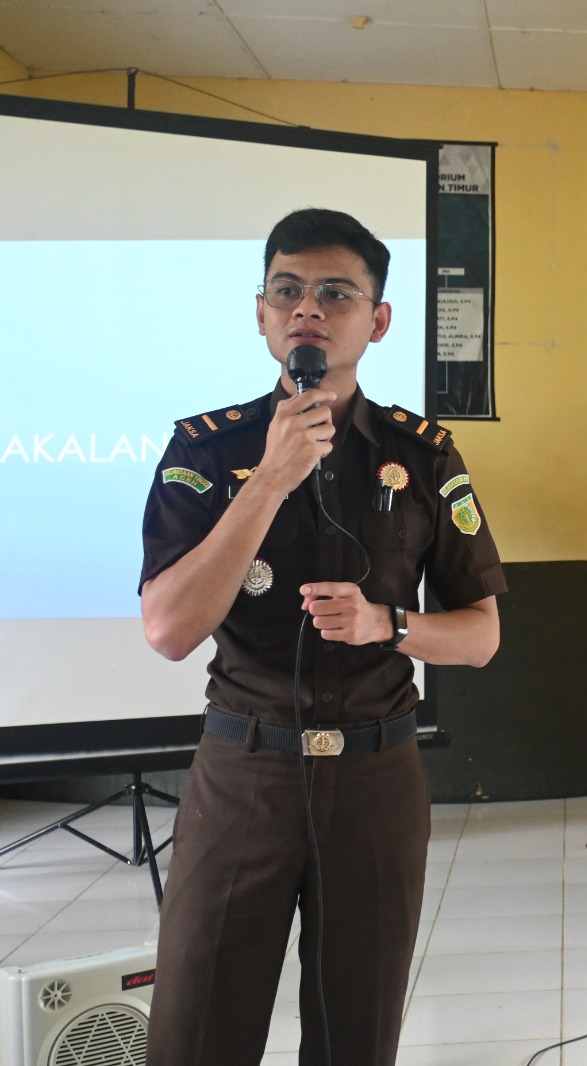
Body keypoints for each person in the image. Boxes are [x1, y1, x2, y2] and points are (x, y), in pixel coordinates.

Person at [140, 208, 507, 1066]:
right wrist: (269, 479)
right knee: (195, 1031)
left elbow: (482, 637)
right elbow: (168, 629)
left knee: (356, 1037)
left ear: (377, 321)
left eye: (336, 293)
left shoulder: (422, 456)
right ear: (261, 313)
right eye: (287, 290)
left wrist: (389, 624)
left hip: (376, 781)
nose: (307, 308)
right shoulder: (207, 450)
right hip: (245, 777)